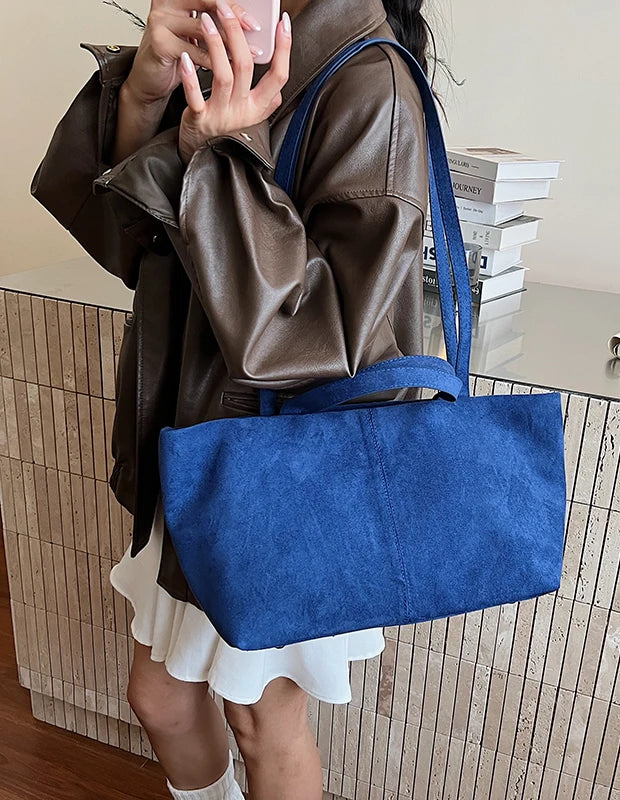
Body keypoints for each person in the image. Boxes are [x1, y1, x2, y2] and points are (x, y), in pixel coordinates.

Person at [30, 0, 439, 798]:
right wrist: (145, 92)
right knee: (159, 697)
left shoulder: (372, 83)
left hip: (288, 476)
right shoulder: (238, 50)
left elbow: (325, 336)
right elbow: (131, 247)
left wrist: (217, 156)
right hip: (199, 445)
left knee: (261, 720)